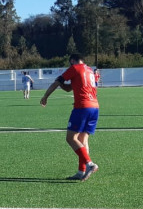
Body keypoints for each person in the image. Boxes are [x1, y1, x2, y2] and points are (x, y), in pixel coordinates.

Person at [40, 53, 99, 181]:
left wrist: (45, 96)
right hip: (94, 107)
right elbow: (68, 88)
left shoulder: (75, 68)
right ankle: (80, 172)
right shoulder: (89, 71)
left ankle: (90, 164)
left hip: (82, 107)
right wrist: (62, 84)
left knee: (71, 138)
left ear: (73, 61)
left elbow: (56, 83)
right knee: (83, 140)